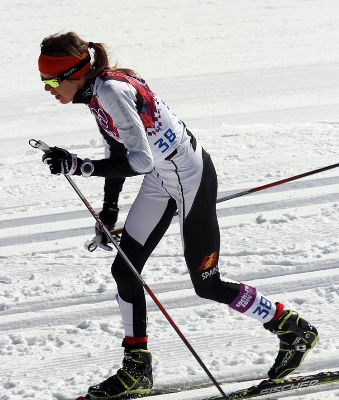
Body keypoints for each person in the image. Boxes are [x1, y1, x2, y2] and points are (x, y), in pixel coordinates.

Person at [38, 32, 319, 400]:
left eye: (52, 80)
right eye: (44, 81)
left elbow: (138, 161)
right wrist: (109, 210)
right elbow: (119, 150)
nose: (48, 89)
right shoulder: (96, 95)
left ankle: (290, 327)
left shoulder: (111, 93)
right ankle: (137, 370)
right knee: (125, 268)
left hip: (190, 179)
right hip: (161, 180)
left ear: (76, 72)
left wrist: (77, 165)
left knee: (207, 283)